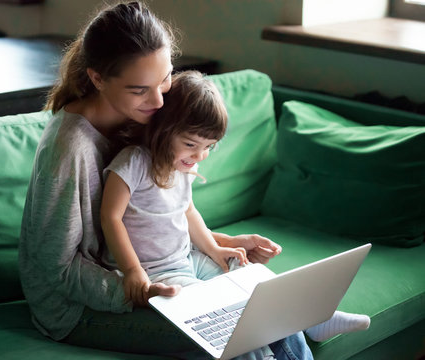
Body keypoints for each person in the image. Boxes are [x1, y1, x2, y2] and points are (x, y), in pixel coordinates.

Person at [18, 1, 314, 359]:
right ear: (97, 78)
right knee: (242, 340)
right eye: (139, 88)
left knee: (275, 314)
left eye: (165, 78)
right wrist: (136, 288)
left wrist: (219, 243)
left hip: (153, 273)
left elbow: (153, 217)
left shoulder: (148, 118)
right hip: (77, 309)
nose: (159, 99)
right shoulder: (69, 150)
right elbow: (55, 268)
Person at [100, 70, 371, 350]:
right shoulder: (133, 161)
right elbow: (110, 217)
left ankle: (317, 320)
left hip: (186, 258)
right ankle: (262, 353)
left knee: (248, 275)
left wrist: (214, 250)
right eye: (190, 144)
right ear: (162, 129)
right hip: (156, 272)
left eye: (208, 147)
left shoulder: (182, 165)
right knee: (218, 311)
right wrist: (132, 270)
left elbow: (188, 212)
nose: (198, 156)